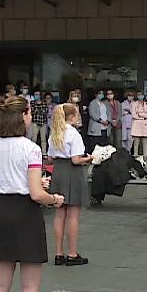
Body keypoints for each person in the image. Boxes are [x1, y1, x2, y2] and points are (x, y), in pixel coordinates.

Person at [0, 96, 64, 292]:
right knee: (30, 286)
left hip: (3, 210)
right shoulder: (30, 149)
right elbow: (35, 193)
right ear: (24, 116)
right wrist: (53, 199)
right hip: (25, 214)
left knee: (0, 284)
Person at [48, 103, 91, 267]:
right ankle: (72, 254)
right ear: (71, 117)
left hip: (58, 170)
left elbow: (50, 158)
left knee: (59, 215)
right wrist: (89, 158)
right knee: (73, 215)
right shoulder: (74, 134)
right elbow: (76, 159)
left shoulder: (54, 133)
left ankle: (59, 253)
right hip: (72, 172)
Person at [131, 92, 147, 157]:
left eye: (142, 95)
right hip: (137, 124)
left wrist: (140, 114)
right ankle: (135, 156)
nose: (140, 96)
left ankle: (145, 157)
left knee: (145, 142)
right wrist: (143, 116)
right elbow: (133, 115)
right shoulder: (134, 104)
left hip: (145, 124)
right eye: (139, 95)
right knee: (136, 142)